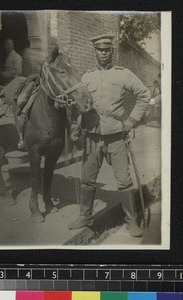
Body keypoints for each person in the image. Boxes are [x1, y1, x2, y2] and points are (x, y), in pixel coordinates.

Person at [68, 34, 151, 237]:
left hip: (116, 137)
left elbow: (144, 96)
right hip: (92, 138)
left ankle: (131, 221)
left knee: (123, 181)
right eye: (99, 49)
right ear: (94, 51)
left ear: (111, 51)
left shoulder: (124, 75)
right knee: (87, 180)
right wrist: (74, 125)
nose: (103, 53)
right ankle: (85, 216)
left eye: (107, 49)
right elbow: (78, 105)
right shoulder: (86, 78)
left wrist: (131, 121)